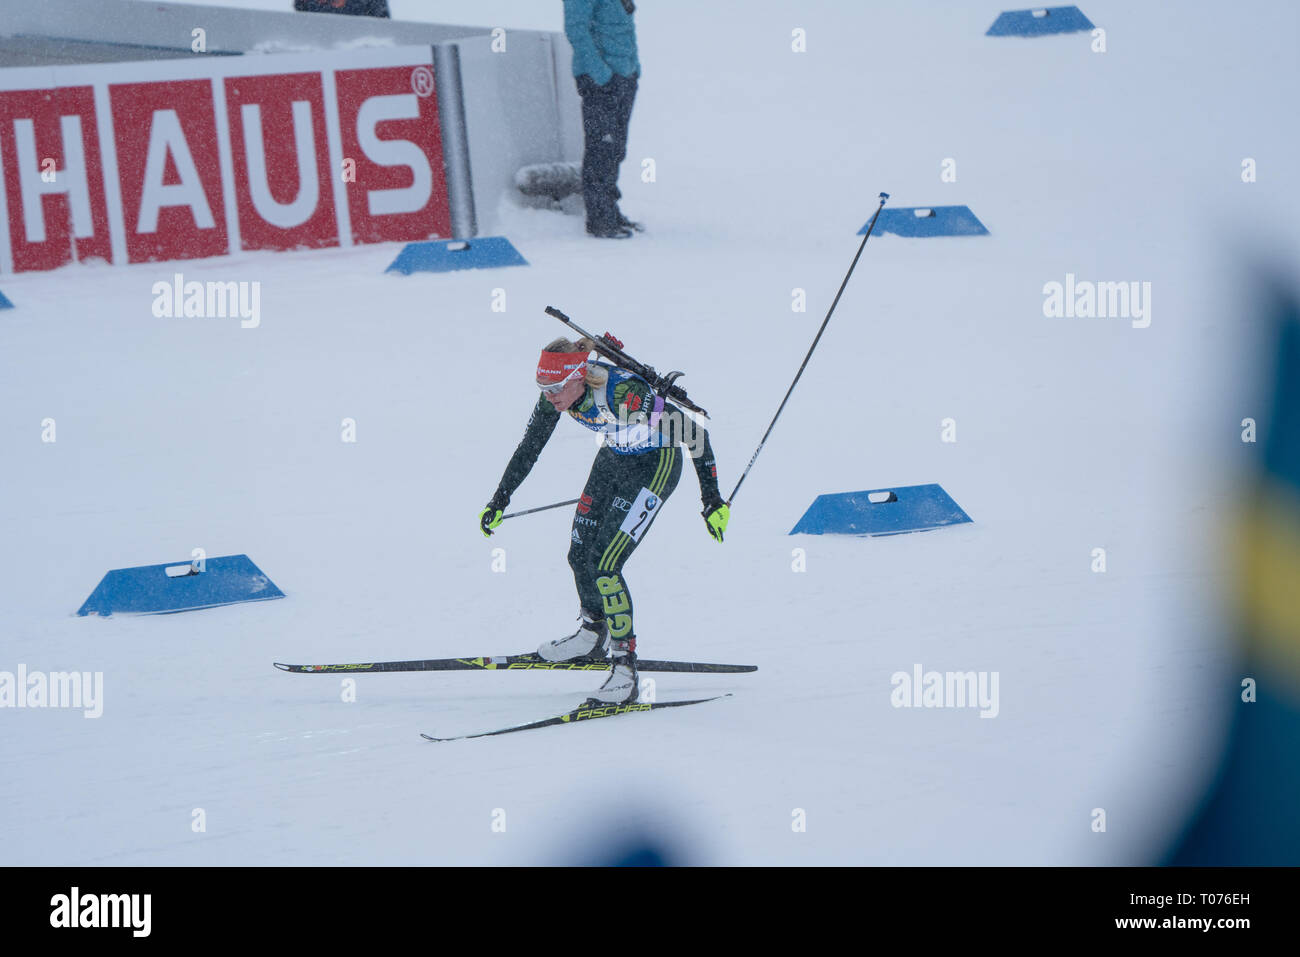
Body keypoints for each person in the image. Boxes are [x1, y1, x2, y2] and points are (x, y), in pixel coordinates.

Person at [479, 337, 730, 703]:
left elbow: (695, 434)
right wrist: (500, 498)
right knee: (579, 555)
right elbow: (530, 446)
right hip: (615, 457)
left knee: (605, 565)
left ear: (579, 375)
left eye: (556, 388)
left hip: (655, 464)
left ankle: (625, 671)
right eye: (543, 389)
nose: (550, 397)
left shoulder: (622, 395)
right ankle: (592, 634)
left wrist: (712, 500)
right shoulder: (558, 396)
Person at [563, 0, 642, 239]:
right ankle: (600, 220)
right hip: (601, 81)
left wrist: (634, 68)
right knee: (601, 149)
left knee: (616, 149)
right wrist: (601, 74)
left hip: (624, 76)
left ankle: (611, 211)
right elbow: (576, 29)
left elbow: (623, 28)